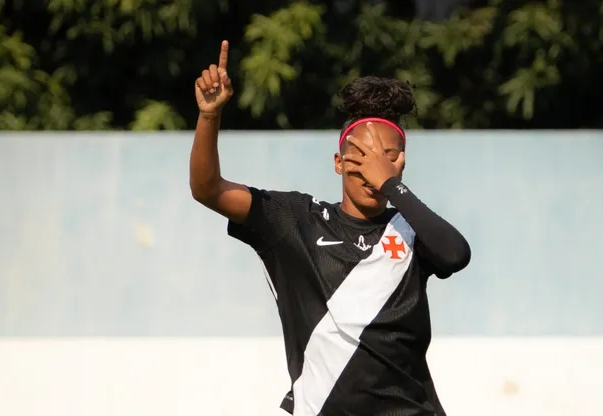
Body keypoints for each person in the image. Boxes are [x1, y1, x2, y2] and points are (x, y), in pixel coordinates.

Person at [192, 40, 471, 416]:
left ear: (400, 165)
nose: (372, 170)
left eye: (386, 159)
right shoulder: (297, 220)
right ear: (339, 162)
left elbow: (456, 254)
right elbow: (207, 189)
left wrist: (392, 186)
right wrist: (209, 117)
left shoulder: (410, 230)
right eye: (361, 158)